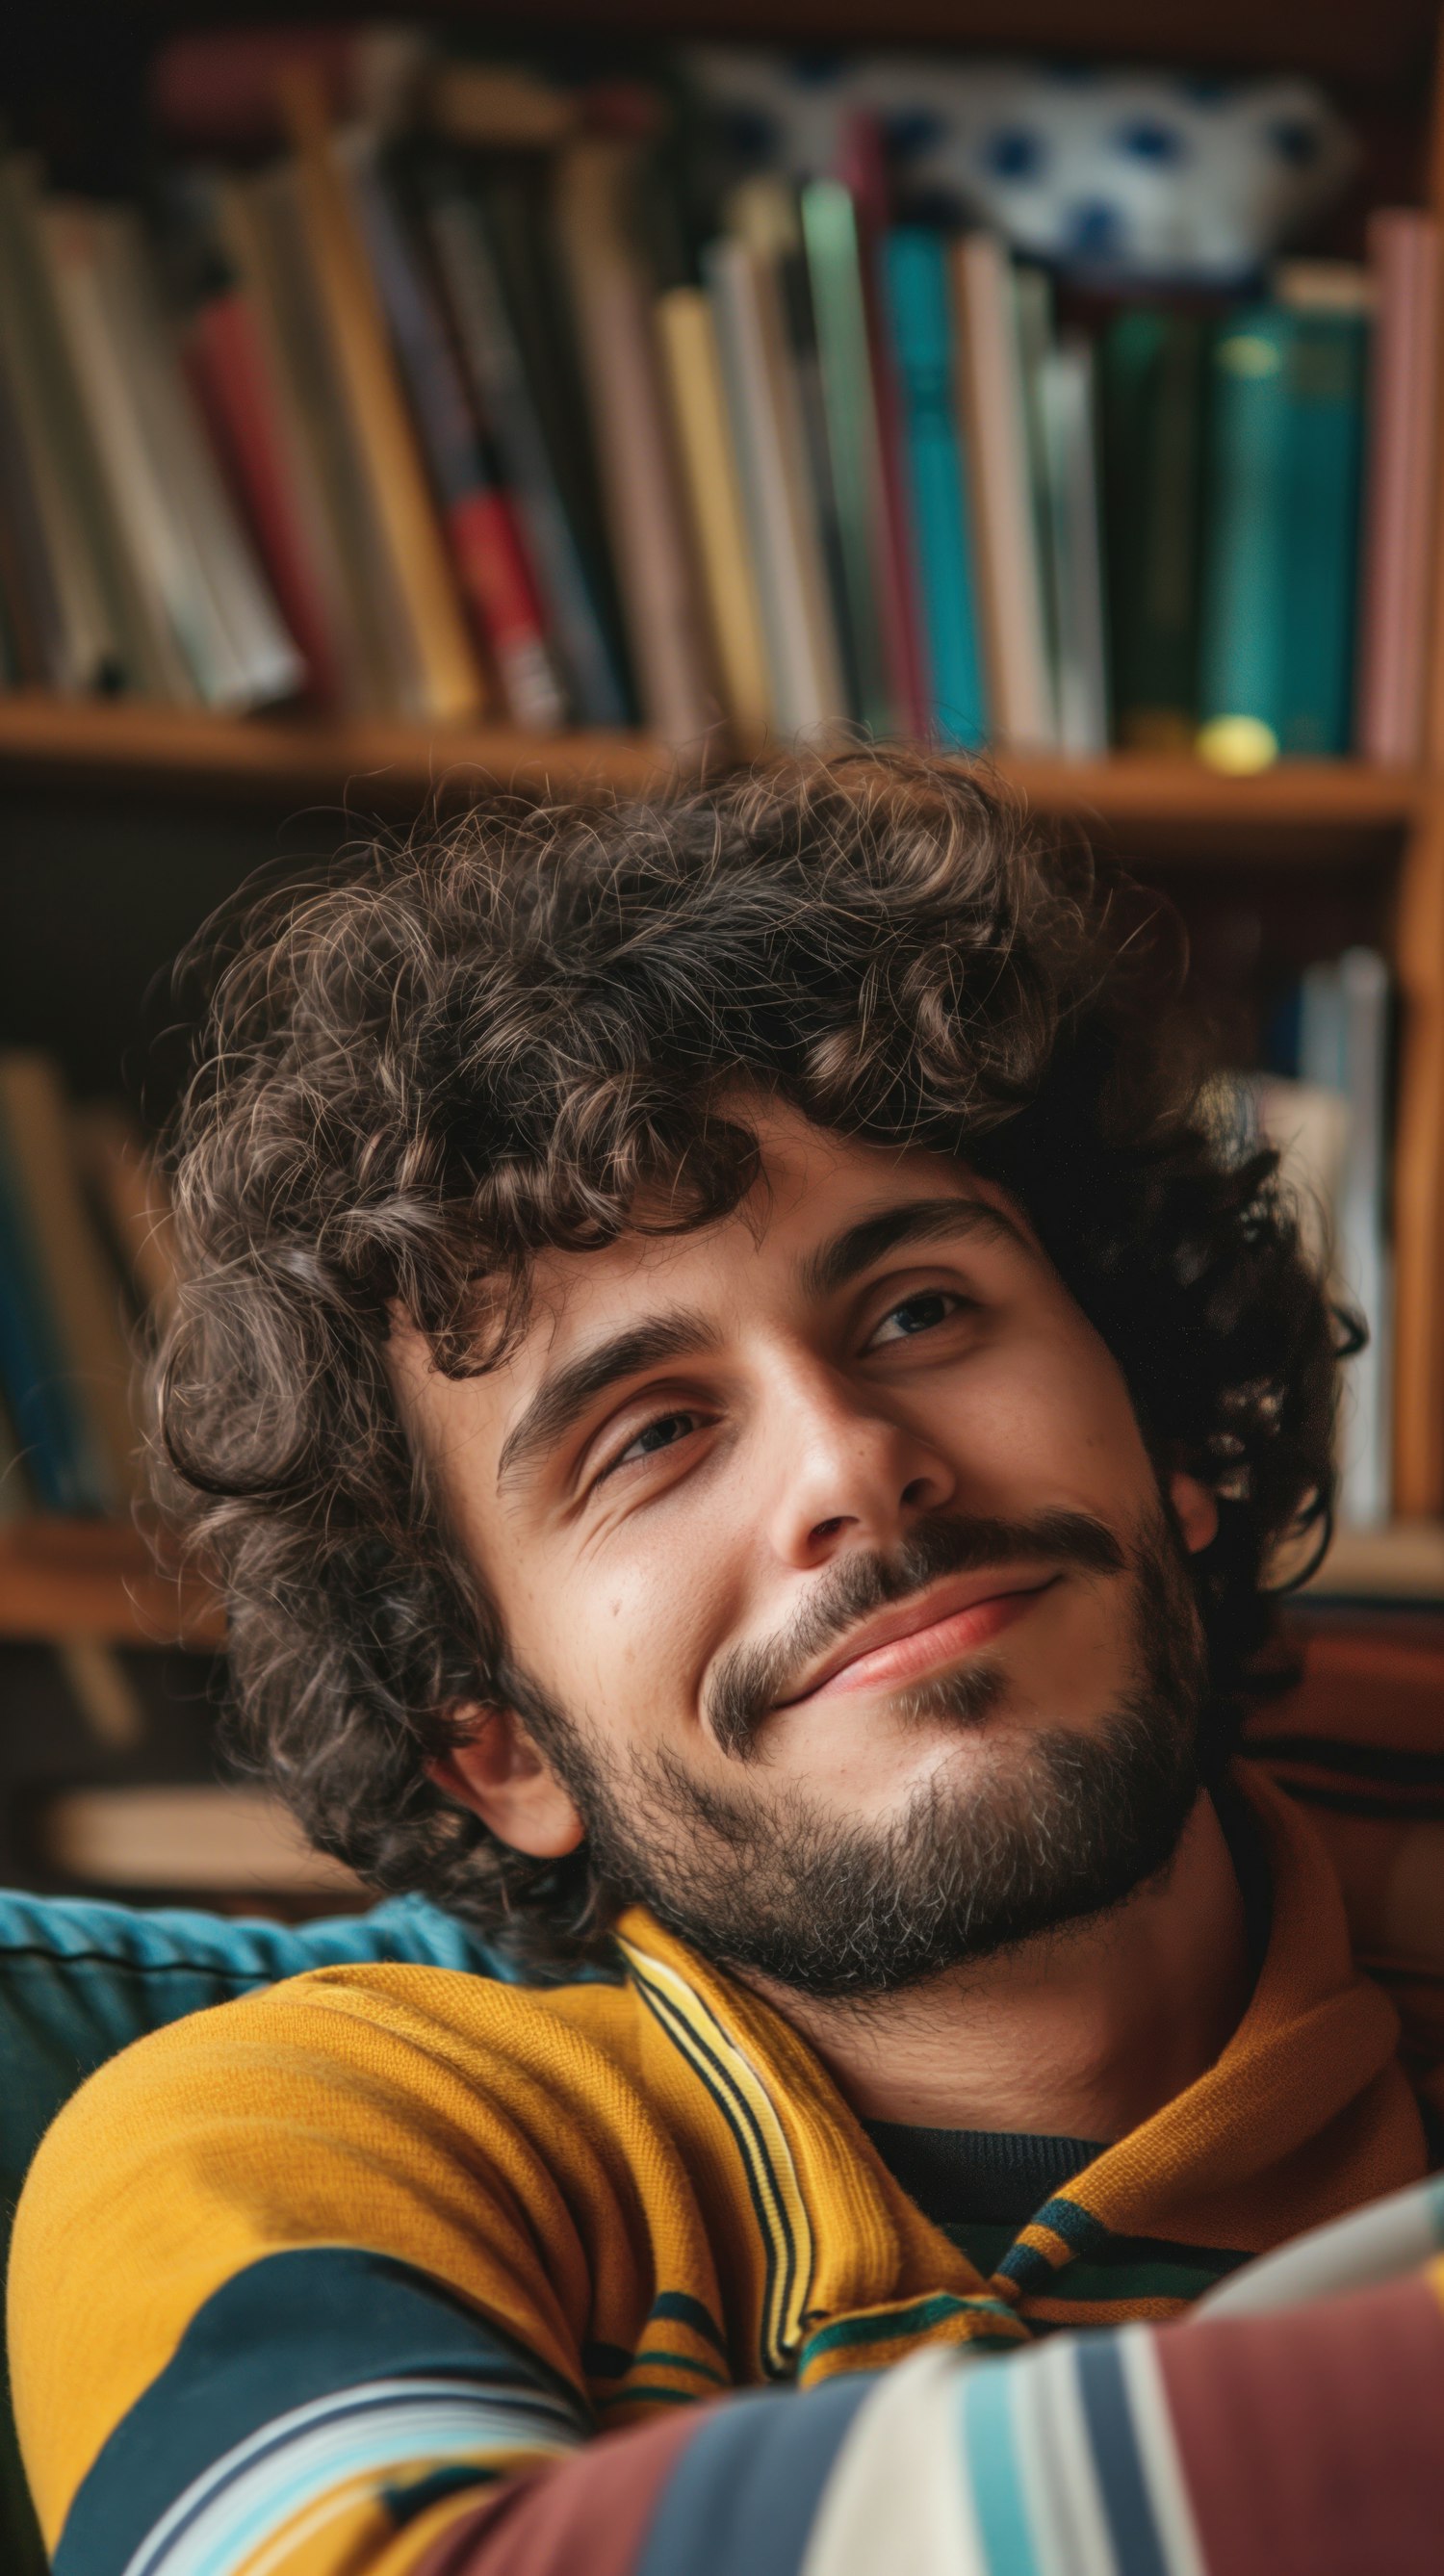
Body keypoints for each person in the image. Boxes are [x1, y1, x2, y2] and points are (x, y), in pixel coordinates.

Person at [10, 753, 1443, 2576]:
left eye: (922, 1310)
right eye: (653, 1436)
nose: (852, 1464)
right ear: (490, 1740)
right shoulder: (308, 2133)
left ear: (1161, 1429)